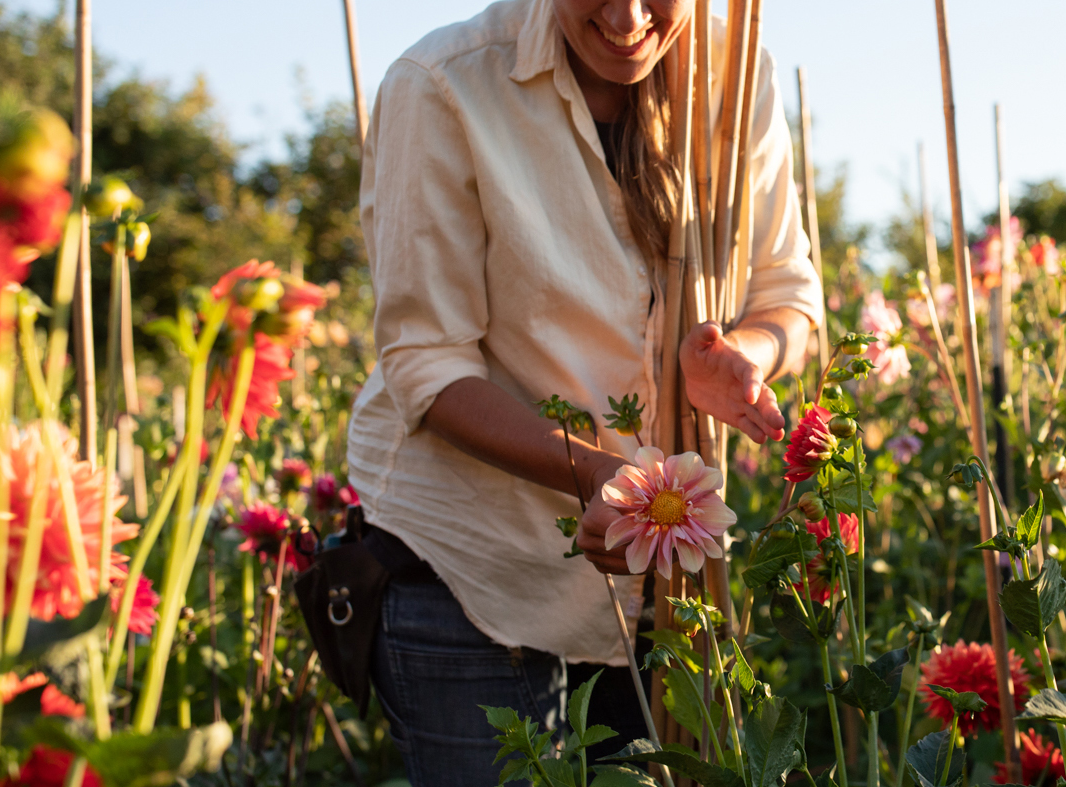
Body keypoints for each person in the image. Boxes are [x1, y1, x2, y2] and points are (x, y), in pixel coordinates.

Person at [347, 0, 822, 781]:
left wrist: (743, 351)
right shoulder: (441, 84)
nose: (629, 16)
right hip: (472, 569)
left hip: (655, 585)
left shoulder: (732, 75)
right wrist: (599, 475)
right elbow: (428, 364)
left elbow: (790, 295)